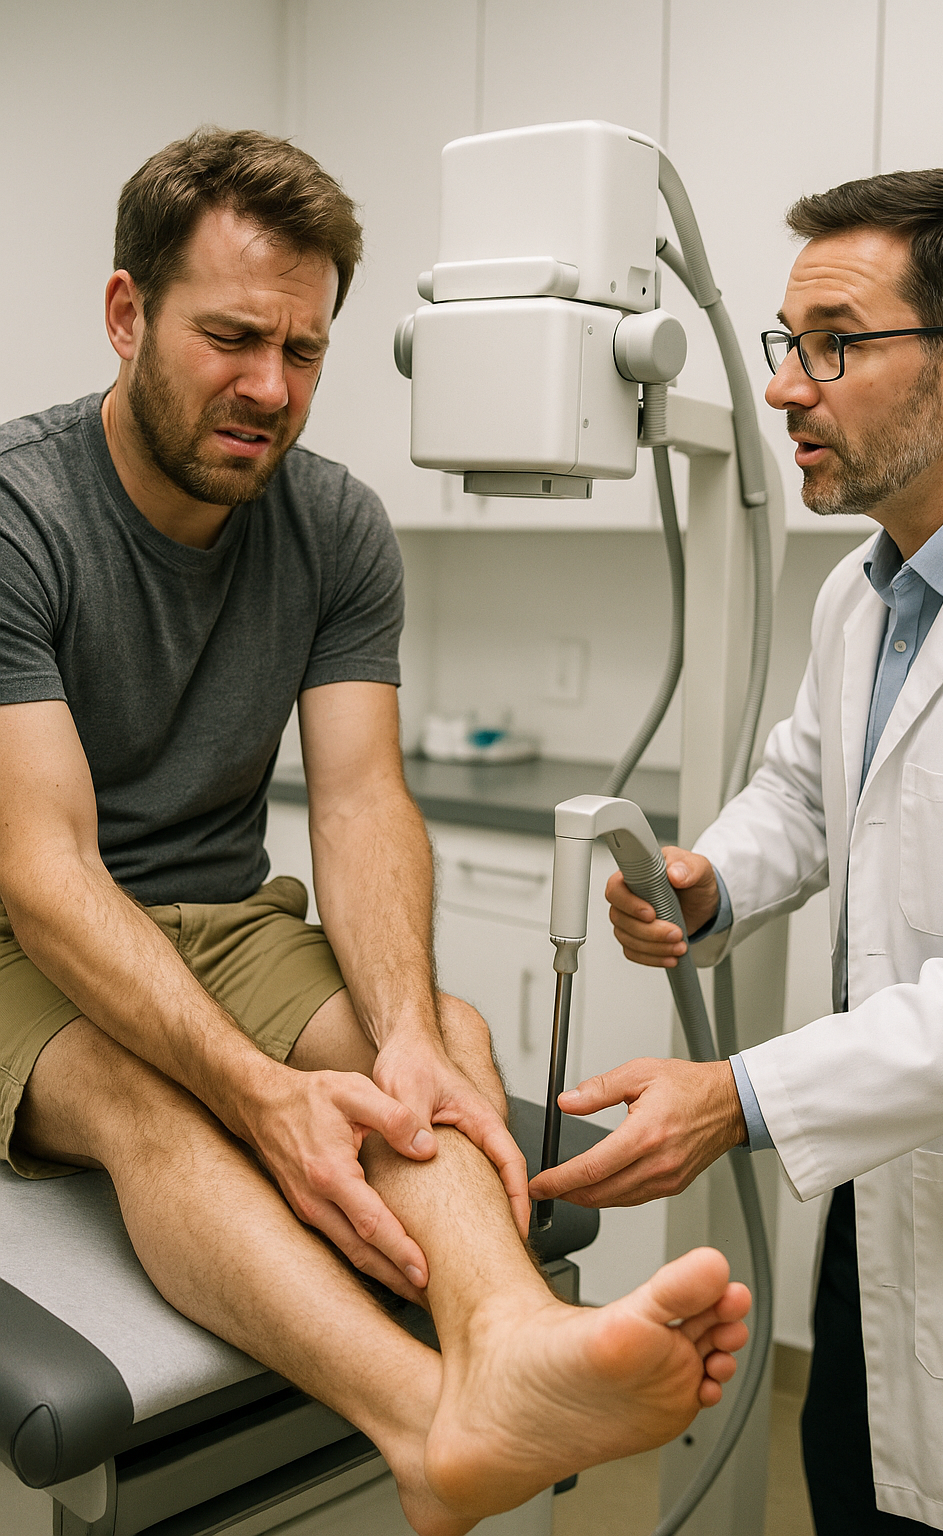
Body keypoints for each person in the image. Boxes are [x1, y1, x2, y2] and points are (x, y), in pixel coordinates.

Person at [0, 128, 751, 1534]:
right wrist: (258, 1093)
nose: (270, 389)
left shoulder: (336, 523)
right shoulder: (16, 514)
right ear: (126, 314)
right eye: (232, 337)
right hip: (19, 938)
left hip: (224, 919)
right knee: (146, 1099)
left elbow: (357, 799)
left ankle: (511, 1351)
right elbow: (45, 874)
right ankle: (425, 1428)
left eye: (305, 350)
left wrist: (397, 1029)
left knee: (445, 1045)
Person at [529, 168, 943, 1536]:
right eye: (785, 346)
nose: (787, 389)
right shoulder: (866, 594)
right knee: (860, 1489)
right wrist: (716, 880)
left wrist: (732, 1097)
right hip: (886, 1184)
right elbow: (810, 792)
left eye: (835, 346)